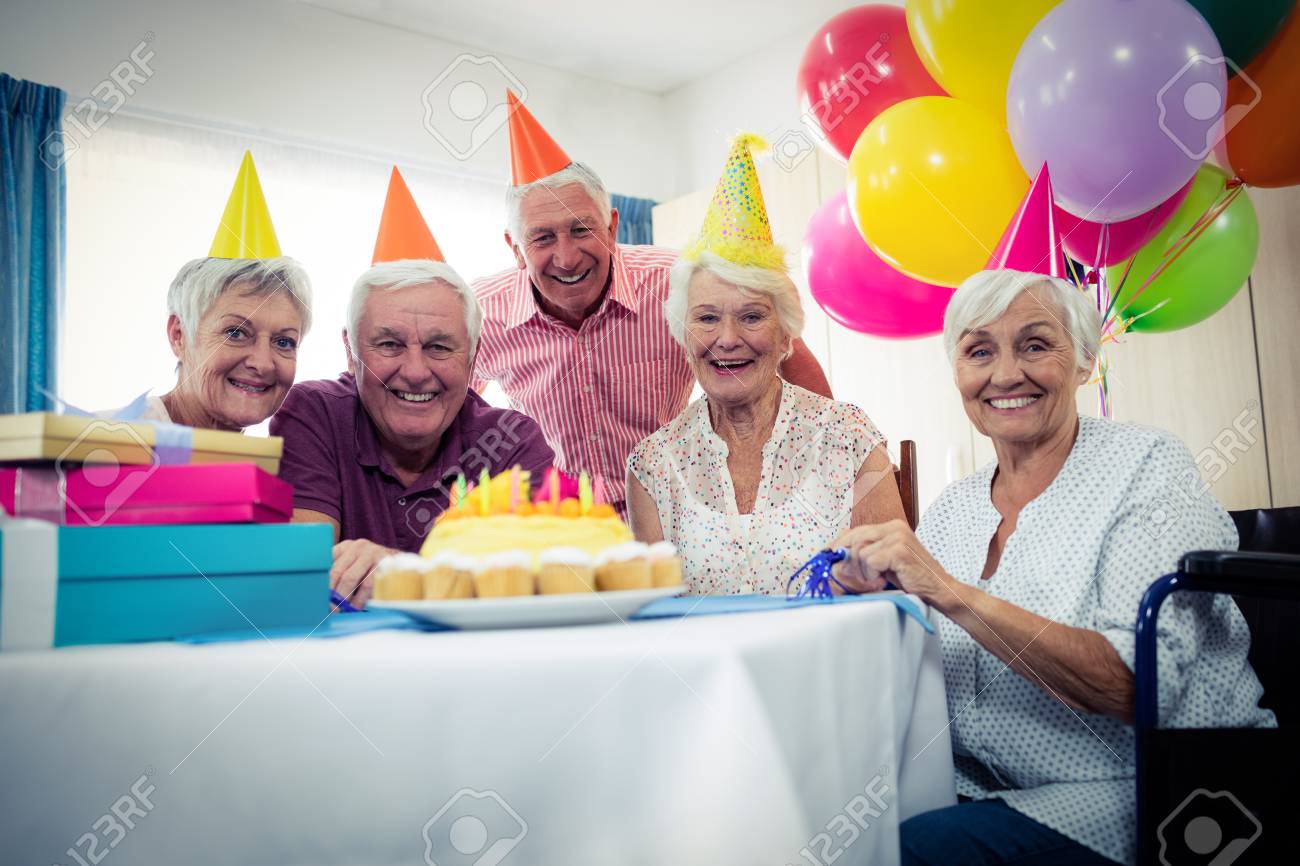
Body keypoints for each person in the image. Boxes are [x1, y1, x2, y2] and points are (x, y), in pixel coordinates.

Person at [830, 268, 1275, 865]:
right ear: (957, 373)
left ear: (1085, 361)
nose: (1005, 374)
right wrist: (870, 601)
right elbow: (920, 665)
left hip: (1155, 786)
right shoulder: (953, 509)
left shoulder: (1147, 468)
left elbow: (1138, 686)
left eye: (1035, 345)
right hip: (985, 784)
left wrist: (949, 591)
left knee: (910, 853)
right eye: (979, 351)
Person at [470, 95, 832, 515]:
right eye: (543, 238)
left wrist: (828, 455)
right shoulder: (481, 313)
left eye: (582, 229)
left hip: (678, 515)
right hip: (562, 528)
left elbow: (785, 352)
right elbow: (446, 415)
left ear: (612, 228)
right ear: (515, 249)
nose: (566, 258)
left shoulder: (679, 283)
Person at [625, 134, 903, 594]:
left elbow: (897, 590)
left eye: (752, 316)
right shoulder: (652, 465)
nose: (727, 339)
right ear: (684, 334)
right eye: (707, 318)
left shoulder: (848, 437)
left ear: (785, 334)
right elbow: (655, 619)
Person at [271, 169, 552, 607]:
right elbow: (306, 580)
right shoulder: (315, 413)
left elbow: (535, 584)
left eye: (439, 347)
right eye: (389, 344)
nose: (416, 372)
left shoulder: (511, 441)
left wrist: (403, 573)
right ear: (350, 351)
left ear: (473, 356)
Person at [149, 151, 312, 429]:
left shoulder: (283, 456)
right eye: (235, 333)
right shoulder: (98, 442)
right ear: (179, 336)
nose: (263, 364)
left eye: (284, 342)